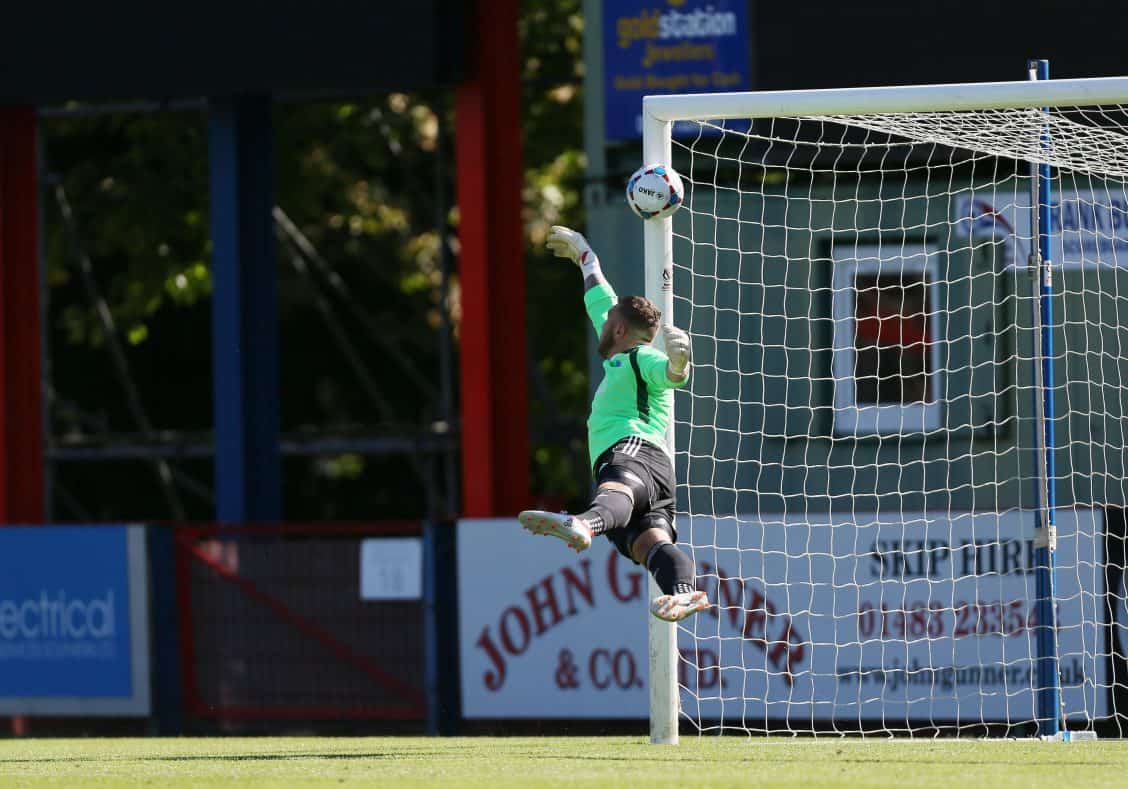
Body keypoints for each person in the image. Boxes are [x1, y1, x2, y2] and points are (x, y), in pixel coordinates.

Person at [518, 226, 709, 622]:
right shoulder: (621, 356)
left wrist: (679, 362)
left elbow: (672, 376)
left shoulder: (639, 358)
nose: (601, 324)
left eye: (607, 322)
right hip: (656, 472)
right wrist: (587, 257)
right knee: (650, 544)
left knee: (615, 486)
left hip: (635, 452)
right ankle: (685, 593)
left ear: (619, 330)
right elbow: (599, 296)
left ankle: (585, 523)